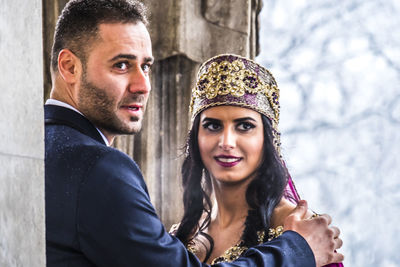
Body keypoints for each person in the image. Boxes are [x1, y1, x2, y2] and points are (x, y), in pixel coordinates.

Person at [45, 0, 343, 266]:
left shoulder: (38, 148)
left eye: (146, 66)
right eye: (122, 65)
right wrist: (296, 251)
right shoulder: (101, 170)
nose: (143, 85)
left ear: (268, 139)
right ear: (69, 67)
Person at [172, 54, 344, 266]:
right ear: (195, 138)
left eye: (244, 126)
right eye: (213, 126)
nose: (226, 142)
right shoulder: (183, 234)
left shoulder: (304, 233)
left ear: (268, 140)